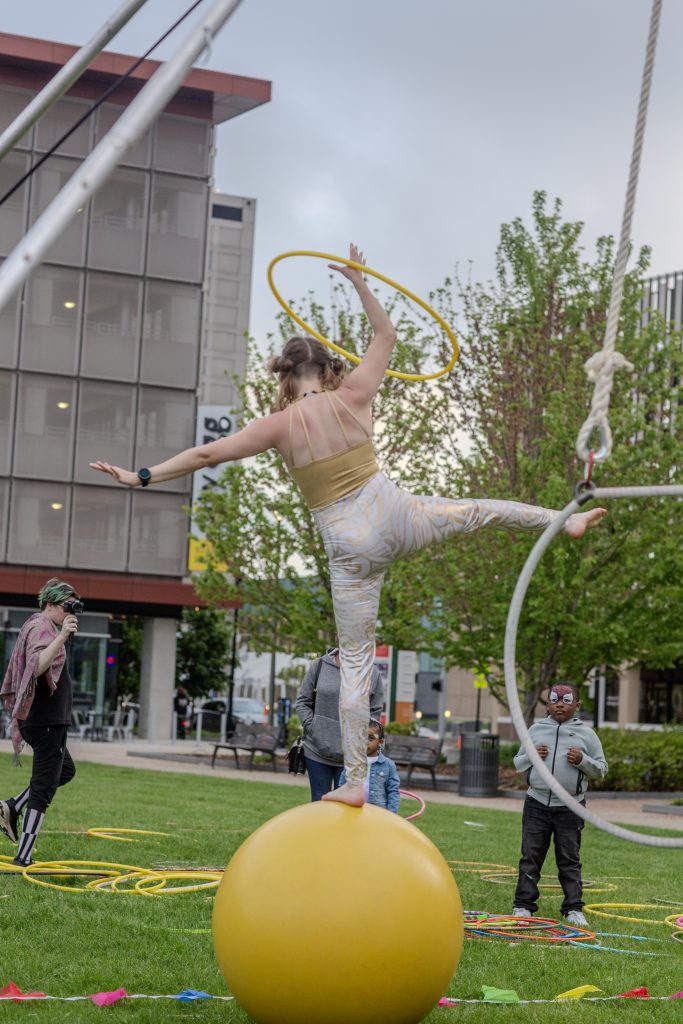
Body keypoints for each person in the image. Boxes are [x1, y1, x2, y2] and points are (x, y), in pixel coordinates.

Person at [90, 243, 607, 809]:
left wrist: (141, 476)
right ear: (327, 367)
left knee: (358, 661)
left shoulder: (277, 425)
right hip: (395, 514)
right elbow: (385, 337)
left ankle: (357, 778)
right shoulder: (356, 393)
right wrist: (360, 283)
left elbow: (206, 455)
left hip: (349, 542)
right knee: (478, 510)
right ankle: (566, 523)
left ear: (288, 377)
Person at [511, 683, 608, 927]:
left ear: (577, 705)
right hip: (537, 803)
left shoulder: (587, 734)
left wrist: (582, 760)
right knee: (530, 856)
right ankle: (523, 906)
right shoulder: (535, 729)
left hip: (571, 806)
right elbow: (518, 762)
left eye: (566, 701)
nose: (559, 704)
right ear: (548, 705)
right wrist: (531, 754)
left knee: (569, 858)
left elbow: (602, 769)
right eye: (554, 700)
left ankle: (573, 909)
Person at [0, 578, 80, 866]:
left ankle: (12, 806)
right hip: (45, 721)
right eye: (66, 606)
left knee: (65, 770)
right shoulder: (41, 627)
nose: (70, 612)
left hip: (47, 721)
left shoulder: (44, 626)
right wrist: (61, 638)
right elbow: (37, 666)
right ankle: (23, 856)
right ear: (50, 603)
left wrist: (62, 634)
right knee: (44, 787)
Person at [296, 648, 384, 801]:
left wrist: (362, 738)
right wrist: (313, 728)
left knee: (346, 809)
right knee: (320, 802)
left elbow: (375, 711)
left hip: (352, 757)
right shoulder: (320, 665)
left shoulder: (372, 673)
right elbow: (303, 702)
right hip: (317, 751)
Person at [339, 719, 400, 812]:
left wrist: (391, 814)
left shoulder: (388, 765)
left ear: (380, 741)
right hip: (353, 810)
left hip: (377, 812)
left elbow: (393, 792)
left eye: (371, 738)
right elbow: (342, 786)